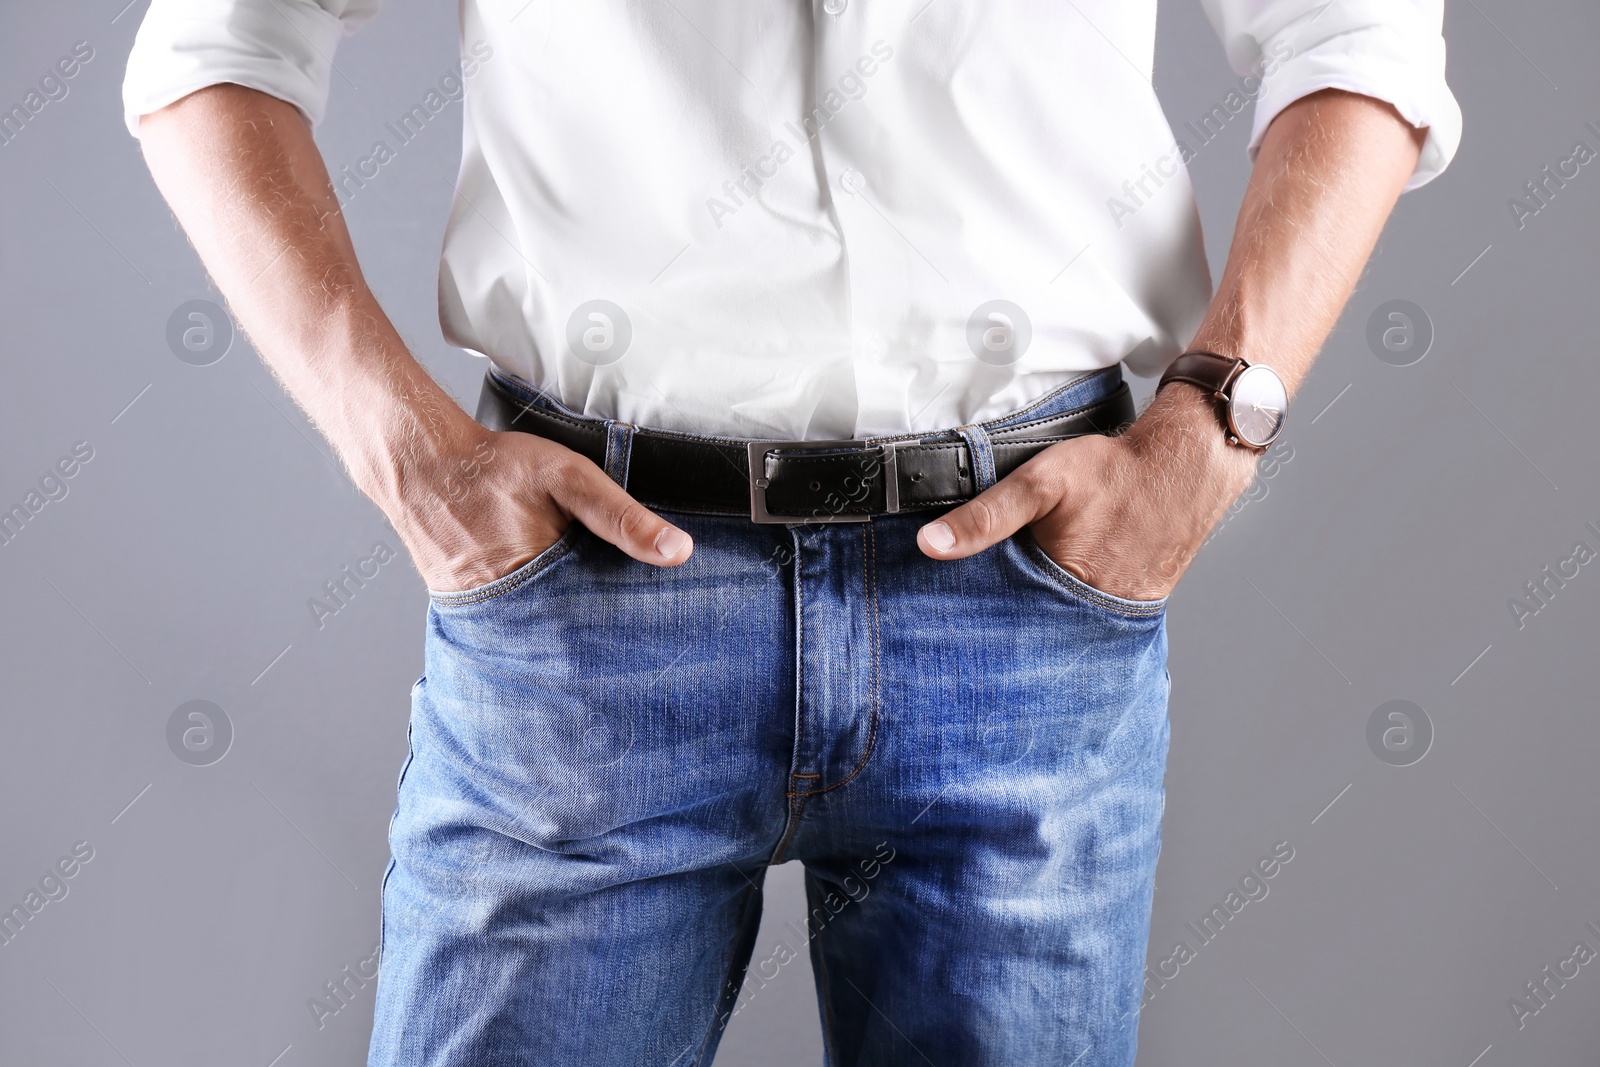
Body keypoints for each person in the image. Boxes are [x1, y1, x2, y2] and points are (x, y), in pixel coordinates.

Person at [123, 1, 1458, 1063]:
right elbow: (212, 48)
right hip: (593, 611)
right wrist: (401, 447)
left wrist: (1211, 433)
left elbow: (1359, 32)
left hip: (1024, 607)